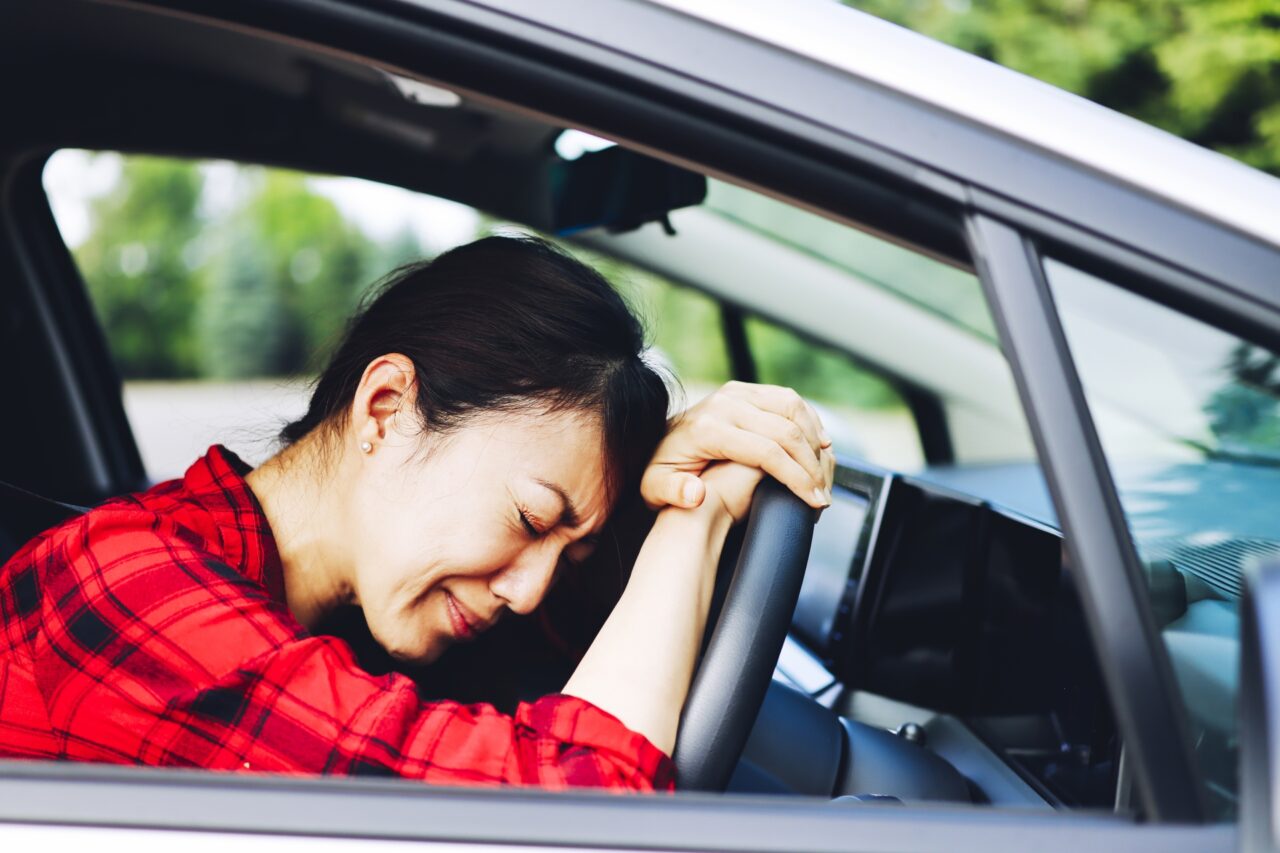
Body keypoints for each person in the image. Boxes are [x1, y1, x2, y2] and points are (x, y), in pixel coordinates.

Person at [0, 235, 833, 791]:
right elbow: (576, 817)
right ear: (388, 407)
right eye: (534, 520)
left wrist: (663, 485)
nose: (530, 590)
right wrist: (699, 514)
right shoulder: (119, 586)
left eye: (564, 554)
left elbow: (589, 630)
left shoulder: (357, 602)